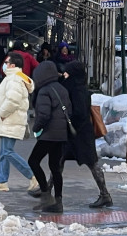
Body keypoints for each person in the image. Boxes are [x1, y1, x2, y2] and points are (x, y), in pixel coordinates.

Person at [0, 52, 38, 192]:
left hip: (10, 120)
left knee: (7, 151)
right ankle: (2, 181)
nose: (4, 65)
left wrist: (0, 115)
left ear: (12, 65)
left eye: (6, 63)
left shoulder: (14, 79)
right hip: (9, 120)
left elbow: (12, 101)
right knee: (4, 151)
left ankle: (33, 176)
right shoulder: (14, 78)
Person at [60, 60, 113, 208]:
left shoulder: (76, 90)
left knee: (90, 163)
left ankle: (105, 195)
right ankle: (46, 190)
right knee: (61, 159)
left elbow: (79, 112)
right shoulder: (79, 88)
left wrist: (69, 121)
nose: (65, 74)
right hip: (80, 133)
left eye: (67, 72)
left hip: (78, 134)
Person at [28, 60, 72, 213]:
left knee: (33, 161)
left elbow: (44, 115)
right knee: (55, 167)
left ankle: (46, 196)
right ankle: (58, 201)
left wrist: (36, 127)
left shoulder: (44, 91)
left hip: (48, 134)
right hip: (61, 134)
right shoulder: (62, 89)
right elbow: (69, 111)